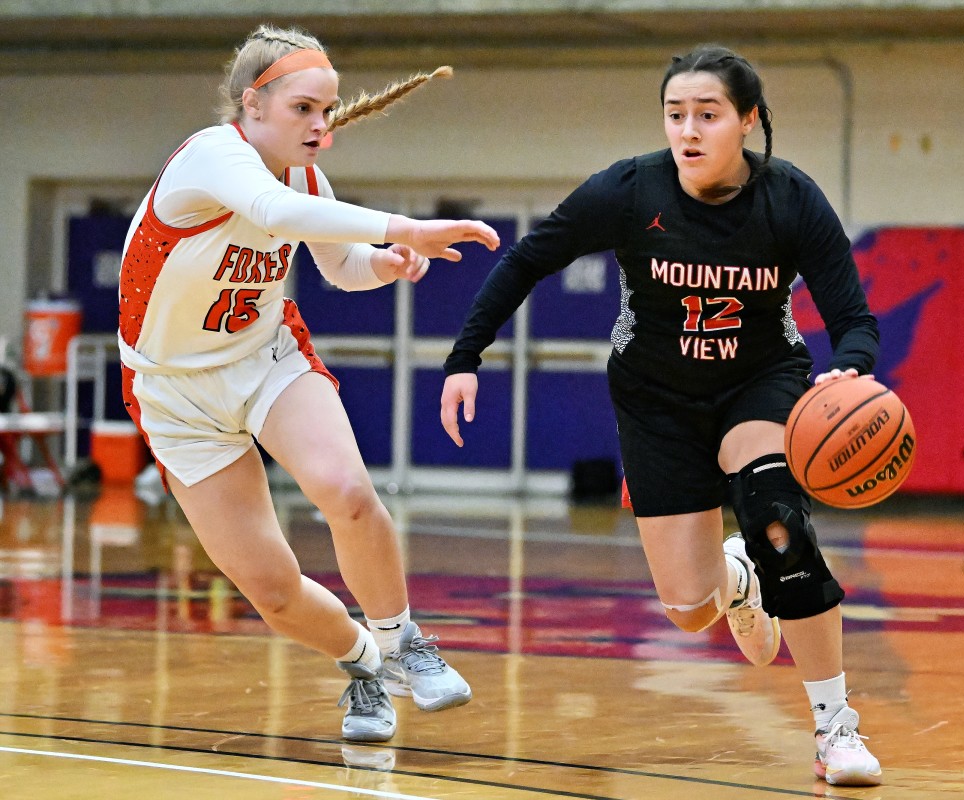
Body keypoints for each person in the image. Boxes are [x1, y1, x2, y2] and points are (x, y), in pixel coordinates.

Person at [440, 45, 883, 787]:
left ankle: (835, 727)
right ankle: (737, 581)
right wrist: (463, 358)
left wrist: (852, 369)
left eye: (707, 114)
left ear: (747, 121)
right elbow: (526, 261)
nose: (689, 129)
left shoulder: (790, 198)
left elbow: (853, 318)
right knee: (685, 609)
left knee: (781, 522)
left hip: (759, 383)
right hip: (655, 400)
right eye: (675, 114)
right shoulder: (628, 188)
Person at [117, 24, 501, 743]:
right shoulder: (211, 157)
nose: (321, 126)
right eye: (304, 109)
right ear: (252, 105)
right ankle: (364, 666)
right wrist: (404, 228)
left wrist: (383, 262)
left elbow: (340, 267)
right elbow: (273, 215)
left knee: (348, 492)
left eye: (327, 111)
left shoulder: (308, 178)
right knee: (272, 591)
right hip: (173, 394)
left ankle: (401, 640)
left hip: (265, 358)